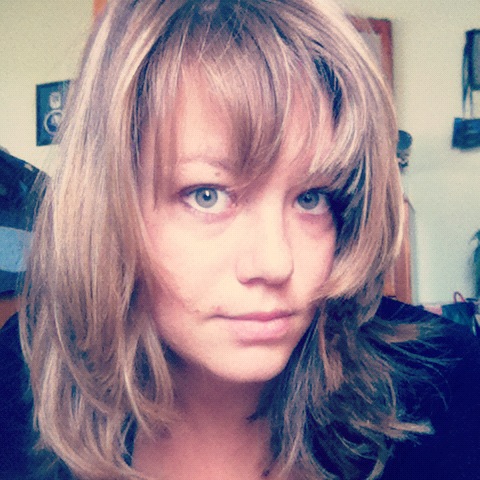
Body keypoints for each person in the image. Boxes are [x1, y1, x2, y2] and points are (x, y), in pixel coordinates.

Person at [1, 0, 479, 479]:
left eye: (311, 198)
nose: (275, 262)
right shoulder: (21, 377)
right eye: (207, 195)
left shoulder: (446, 388)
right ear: (106, 204)